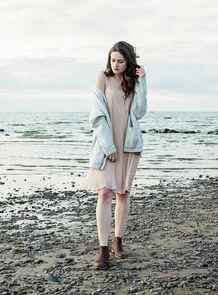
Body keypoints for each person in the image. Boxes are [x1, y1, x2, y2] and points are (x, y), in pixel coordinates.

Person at [85, 40, 147, 270]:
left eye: (120, 61)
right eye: (113, 60)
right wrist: (108, 146)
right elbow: (97, 116)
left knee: (123, 193)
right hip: (106, 145)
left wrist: (143, 83)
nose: (116, 64)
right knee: (104, 193)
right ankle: (102, 250)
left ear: (128, 61)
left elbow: (139, 112)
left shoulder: (132, 81)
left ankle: (117, 242)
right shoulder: (102, 79)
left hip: (128, 144)